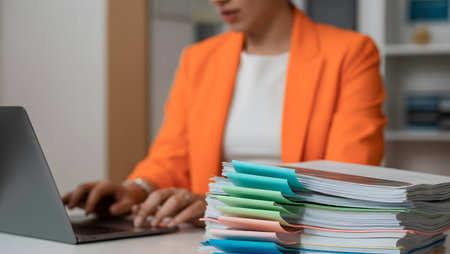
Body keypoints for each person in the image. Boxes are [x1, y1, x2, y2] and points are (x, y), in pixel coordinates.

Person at [63, 0, 386, 229]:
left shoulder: (350, 53)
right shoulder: (199, 59)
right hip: (213, 245)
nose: (217, 0)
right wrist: (134, 190)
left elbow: (345, 179)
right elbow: (170, 156)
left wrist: (221, 204)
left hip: (304, 243)